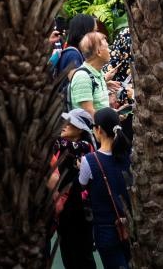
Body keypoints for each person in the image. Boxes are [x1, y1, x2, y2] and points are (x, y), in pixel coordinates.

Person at [78, 107, 132, 269]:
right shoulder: (128, 155)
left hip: (105, 228)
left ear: (99, 129)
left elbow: (82, 183)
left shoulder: (89, 160)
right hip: (130, 225)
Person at [50, 108, 96, 269]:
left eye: (69, 123)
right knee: (70, 253)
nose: (64, 125)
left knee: (80, 254)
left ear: (80, 129)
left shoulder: (81, 147)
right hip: (67, 208)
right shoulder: (65, 146)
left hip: (77, 209)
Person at [70, 31, 112, 117]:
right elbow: (89, 114)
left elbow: (100, 107)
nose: (110, 50)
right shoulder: (83, 77)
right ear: (99, 52)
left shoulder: (98, 73)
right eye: (107, 47)